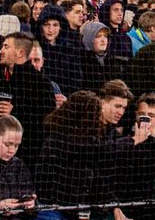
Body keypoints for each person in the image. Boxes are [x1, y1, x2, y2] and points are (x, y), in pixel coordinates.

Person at [36, 91, 128, 220]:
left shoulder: (86, 140)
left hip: (76, 210)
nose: (97, 119)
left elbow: (96, 179)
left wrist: (115, 205)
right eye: (94, 115)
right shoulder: (60, 139)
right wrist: (133, 140)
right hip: (52, 210)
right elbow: (102, 149)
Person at [0, 31, 55, 161]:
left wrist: (14, 113)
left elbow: (45, 123)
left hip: (26, 157)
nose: (0, 50)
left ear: (20, 53)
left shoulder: (41, 84)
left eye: (6, 47)